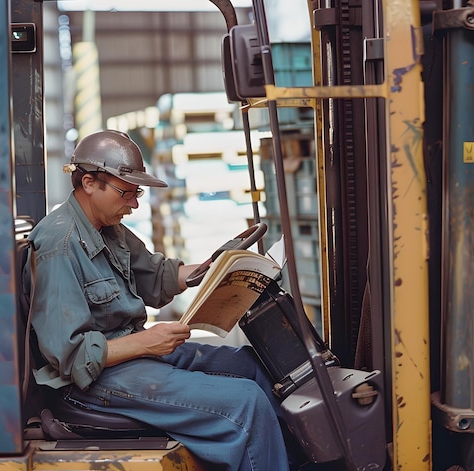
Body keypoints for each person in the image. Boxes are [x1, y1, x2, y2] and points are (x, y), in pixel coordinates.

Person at [22, 130, 294, 470]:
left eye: (137, 193)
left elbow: (156, 275)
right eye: (128, 192)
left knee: (257, 367)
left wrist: (214, 269)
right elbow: (72, 356)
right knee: (246, 403)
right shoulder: (59, 245)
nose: (134, 204)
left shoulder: (108, 228)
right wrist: (148, 341)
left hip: (129, 359)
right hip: (89, 384)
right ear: (89, 182)